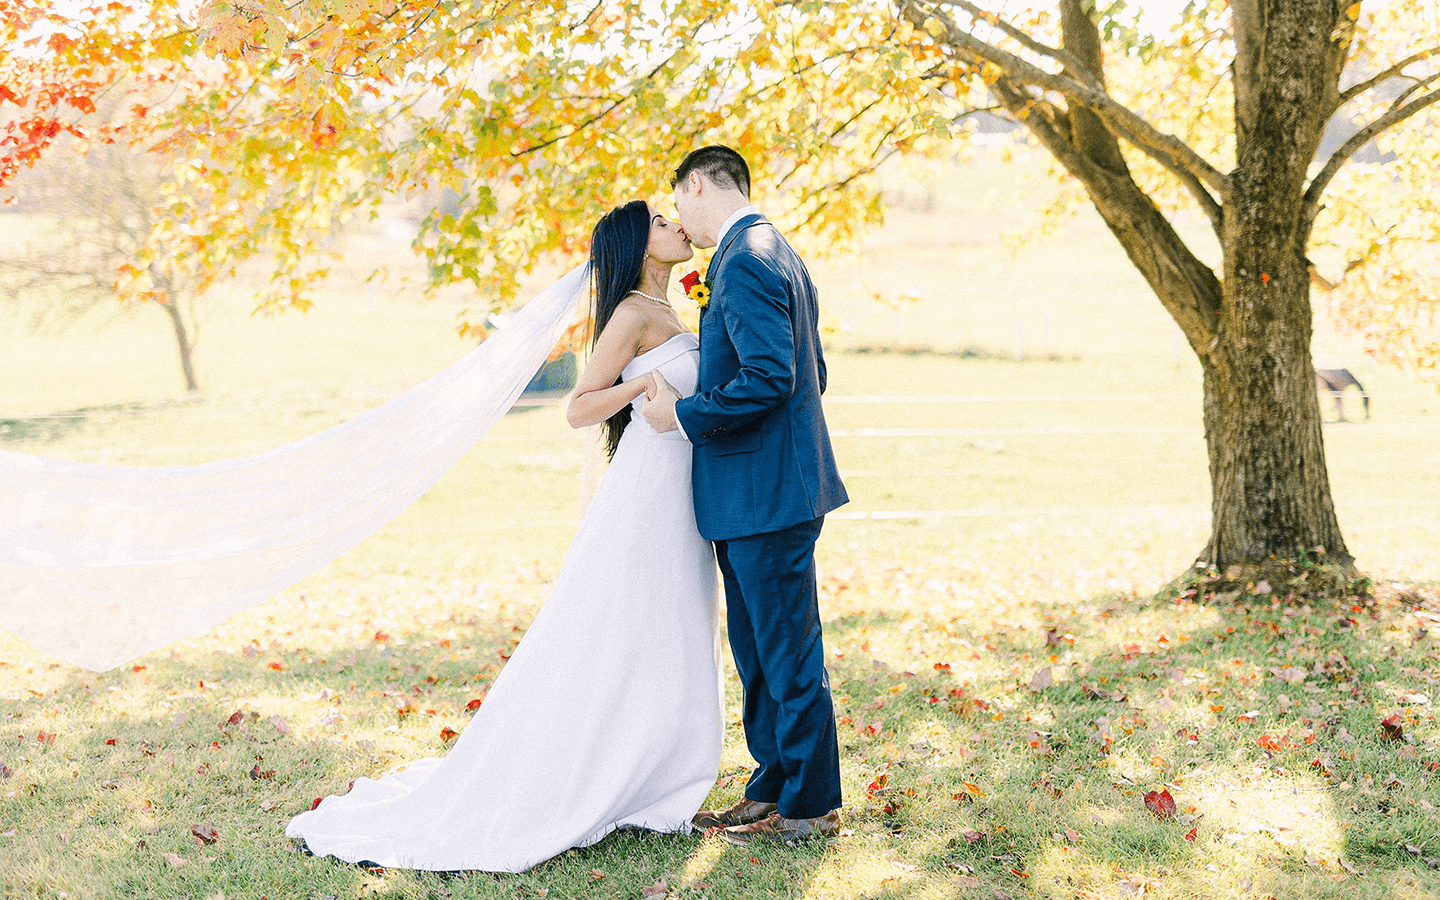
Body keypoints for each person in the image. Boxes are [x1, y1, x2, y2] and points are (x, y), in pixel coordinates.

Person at [285, 200, 724, 872]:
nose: (677, 227)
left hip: (681, 491)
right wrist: (641, 385)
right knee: (623, 621)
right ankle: (600, 769)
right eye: (663, 222)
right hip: (646, 491)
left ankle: (656, 772)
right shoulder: (632, 315)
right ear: (641, 245)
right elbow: (579, 408)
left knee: (672, 623)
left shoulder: (673, 309)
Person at [642, 145, 849, 845]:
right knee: (758, 648)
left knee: (786, 649)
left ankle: (812, 804)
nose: (680, 219)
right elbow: (810, 372)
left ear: (697, 184)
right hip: (757, 489)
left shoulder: (751, 257)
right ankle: (771, 784)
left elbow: (771, 375)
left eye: (679, 202)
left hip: (769, 494)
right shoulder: (769, 251)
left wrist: (684, 414)